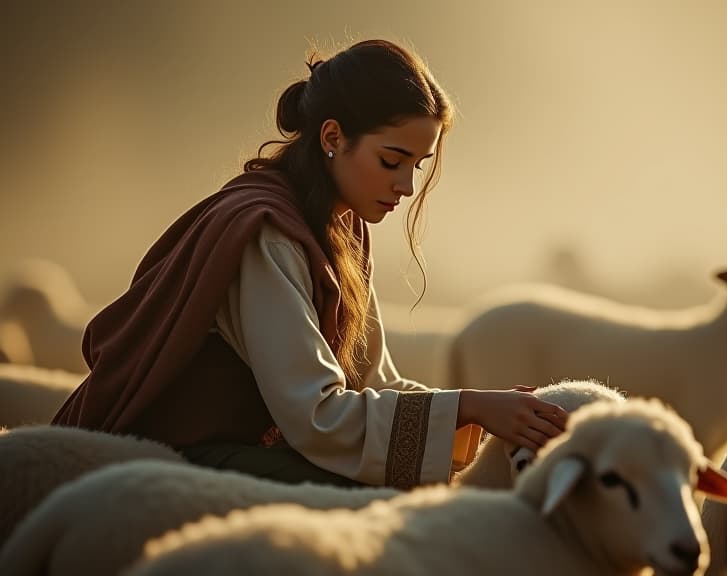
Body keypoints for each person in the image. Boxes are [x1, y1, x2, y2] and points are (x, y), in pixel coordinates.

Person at [52, 39, 569, 489]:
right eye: (391, 161)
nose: (406, 187)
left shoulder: (343, 226)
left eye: (417, 165)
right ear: (331, 138)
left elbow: (373, 382)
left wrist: (485, 405)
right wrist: (468, 407)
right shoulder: (265, 233)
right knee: (378, 508)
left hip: (262, 451)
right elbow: (317, 414)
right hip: (188, 454)